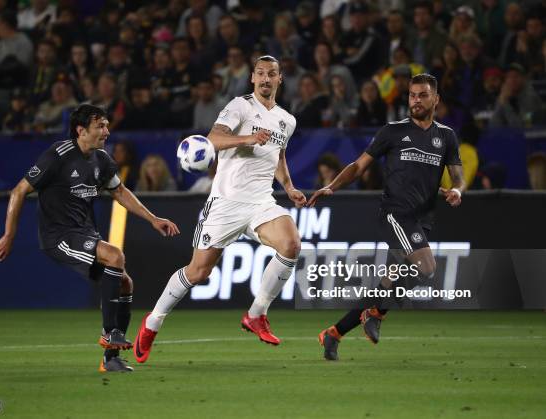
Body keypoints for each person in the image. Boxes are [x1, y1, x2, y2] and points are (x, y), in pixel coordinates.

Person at [134, 55, 306, 364]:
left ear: (280, 79)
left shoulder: (287, 120)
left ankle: (256, 315)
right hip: (225, 203)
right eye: (261, 73)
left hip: (261, 202)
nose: (266, 79)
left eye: (272, 74)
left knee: (291, 244)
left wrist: (289, 187)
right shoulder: (239, 106)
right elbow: (212, 139)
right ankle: (153, 322)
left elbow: (277, 156)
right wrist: (248, 138)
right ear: (253, 78)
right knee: (198, 272)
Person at [0, 104, 179, 372]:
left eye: (106, 125)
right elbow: (19, 191)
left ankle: (111, 358)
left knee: (125, 283)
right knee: (115, 255)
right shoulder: (58, 155)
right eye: (100, 126)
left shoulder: (102, 160)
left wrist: (153, 218)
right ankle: (108, 333)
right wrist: (9, 234)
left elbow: (120, 191)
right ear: (81, 131)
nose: (106, 130)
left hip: (84, 233)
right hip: (59, 236)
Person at [307, 73, 465, 361]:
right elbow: (358, 166)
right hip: (396, 214)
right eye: (412, 95)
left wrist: (457, 189)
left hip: (422, 219)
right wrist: (332, 186)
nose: (416, 100)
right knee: (426, 269)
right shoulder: (392, 131)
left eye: (423, 95)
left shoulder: (446, 136)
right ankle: (376, 313)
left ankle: (334, 334)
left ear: (436, 99)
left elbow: (458, 174)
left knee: (389, 283)